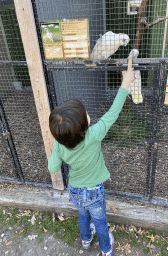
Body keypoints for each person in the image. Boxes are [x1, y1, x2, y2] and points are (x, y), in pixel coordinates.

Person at [48, 65, 135, 256]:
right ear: (84, 125)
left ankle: (86, 240)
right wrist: (126, 84)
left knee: (83, 215)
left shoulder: (60, 144)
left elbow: (52, 166)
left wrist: (57, 147)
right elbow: (113, 112)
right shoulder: (94, 134)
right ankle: (106, 249)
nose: (88, 114)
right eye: (85, 114)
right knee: (100, 221)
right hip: (94, 191)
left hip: (75, 190)